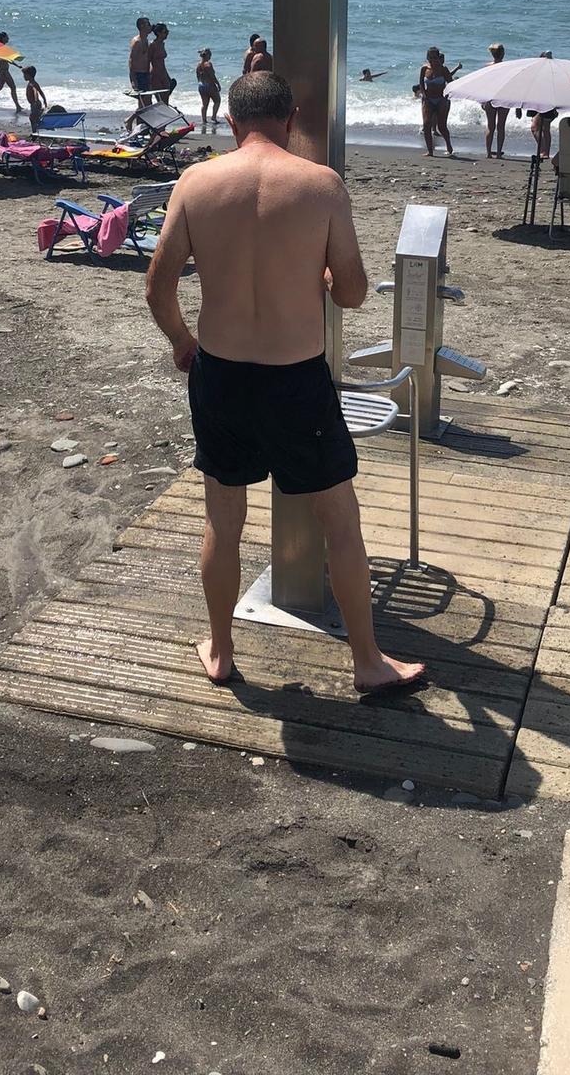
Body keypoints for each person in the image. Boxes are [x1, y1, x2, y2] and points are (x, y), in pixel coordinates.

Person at [144, 72, 427, 696]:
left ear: (231, 119)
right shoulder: (319, 186)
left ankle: (219, 650)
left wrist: (183, 344)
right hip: (296, 379)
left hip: (220, 372)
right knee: (339, 521)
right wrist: (318, 280)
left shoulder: (196, 183)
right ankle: (367, 662)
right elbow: (352, 293)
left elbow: (157, 286)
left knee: (223, 516)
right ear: (291, 116)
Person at [416, 46, 456, 157]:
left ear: (438, 57)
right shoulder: (424, 69)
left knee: (441, 126)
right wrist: (424, 96)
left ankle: (449, 145)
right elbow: (421, 84)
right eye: (431, 57)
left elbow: (451, 84)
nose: (433, 59)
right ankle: (430, 151)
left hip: (441, 100)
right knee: (426, 124)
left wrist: (446, 97)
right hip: (428, 100)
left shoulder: (443, 69)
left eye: (435, 57)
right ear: (427, 58)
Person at [482, 42, 508, 159]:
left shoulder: (487, 67)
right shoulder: (508, 67)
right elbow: (511, 86)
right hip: (503, 98)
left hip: (490, 98)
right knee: (500, 127)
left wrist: (481, 100)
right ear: (502, 53)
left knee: (490, 126)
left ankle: (488, 153)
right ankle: (498, 152)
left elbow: (483, 85)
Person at [149, 23, 176, 99]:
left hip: (164, 74)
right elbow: (148, 61)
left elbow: (162, 63)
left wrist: (168, 77)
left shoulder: (162, 44)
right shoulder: (152, 45)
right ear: (158, 33)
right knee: (160, 100)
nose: (167, 33)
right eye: (165, 32)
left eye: (167, 31)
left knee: (166, 100)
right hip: (155, 75)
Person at [129, 16, 154, 99]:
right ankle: (139, 112)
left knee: (147, 99)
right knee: (144, 100)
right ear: (142, 26)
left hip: (145, 74)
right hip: (138, 74)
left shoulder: (146, 40)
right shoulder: (137, 42)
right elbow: (131, 60)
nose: (151, 26)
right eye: (148, 24)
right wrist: (133, 80)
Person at [195, 48, 221, 125]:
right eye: (210, 54)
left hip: (201, 86)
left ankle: (204, 120)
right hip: (209, 85)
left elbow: (197, 77)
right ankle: (213, 117)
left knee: (204, 104)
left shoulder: (198, 65)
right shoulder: (208, 64)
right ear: (208, 55)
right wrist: (218, 84)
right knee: (217, 100)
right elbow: (212, 76)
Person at [22, 65, 47, 131]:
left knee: (32, 118)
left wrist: (36, 100)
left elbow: (35, 91)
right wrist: (44, 100)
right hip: (35, 104)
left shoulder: (32, 84)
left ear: (29, 75)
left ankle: (35, 131)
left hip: (35, 104)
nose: (23, 76)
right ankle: (37, 129)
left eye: (25, 75)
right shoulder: (34, 82)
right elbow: (41, 91)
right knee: (35, 118)